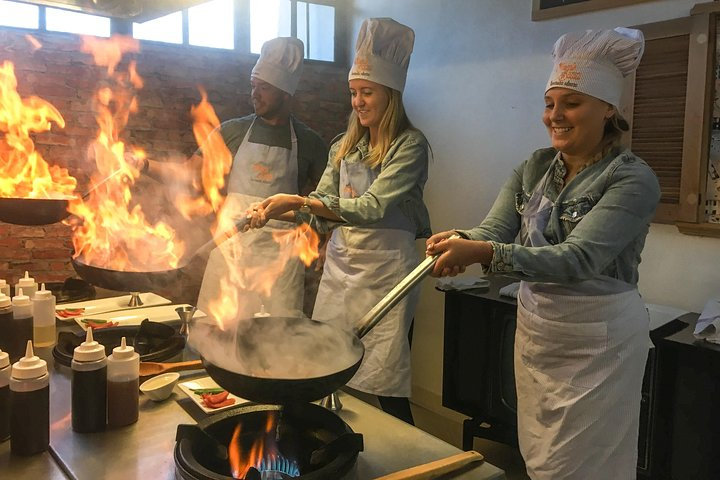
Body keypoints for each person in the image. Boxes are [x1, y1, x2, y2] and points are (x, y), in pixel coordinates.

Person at [426, 28, 659, 479]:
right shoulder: (533, 167)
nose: (555, 115)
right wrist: (462, 239)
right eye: (550, 103)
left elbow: (578, 259)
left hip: (598, 341)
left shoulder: (632, 178)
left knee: (583, 466)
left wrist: (484, 253)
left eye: (571, 103)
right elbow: (494, 230)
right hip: (538, 329)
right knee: (540, 457)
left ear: (608, 108)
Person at [248, 18, 431, 425]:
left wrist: (300, 202)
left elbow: (371, 208)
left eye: (367, 92)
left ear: (391, 95)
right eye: (353, 92)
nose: (358, 102)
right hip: (342, 271)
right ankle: (330, 440)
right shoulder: (344, 145)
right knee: (327, 370)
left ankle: (412, 456)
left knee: (383, 383)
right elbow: (320, 206)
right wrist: (279, 210)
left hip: (387, 278)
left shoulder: (410, 147)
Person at [146, 37, 328, 318]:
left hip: (279, 258)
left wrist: (326, 241)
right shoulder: (232, 132)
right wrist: (143, 166)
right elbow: (188, 175)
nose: (255, 94)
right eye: (253, 86)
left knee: (277, 337)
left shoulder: (309, 142)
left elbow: (326, 202)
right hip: (231, 250)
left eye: (264, 88)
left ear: (285, 93)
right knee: (219, 332)